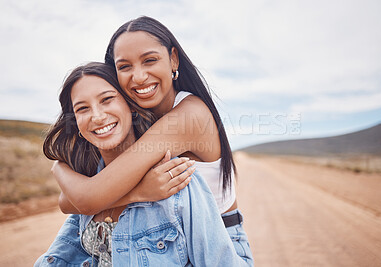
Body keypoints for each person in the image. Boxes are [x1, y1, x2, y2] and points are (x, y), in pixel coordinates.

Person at [52, 16, 253, 264]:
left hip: (218, 248)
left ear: (173, 59)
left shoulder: (188, 116)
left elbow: (88, 197)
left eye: (150, 60)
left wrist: (57, 167)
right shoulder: (139, 121)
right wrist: (139, 193)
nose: (138, 77)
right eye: (124, 67)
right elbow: (70, 201)